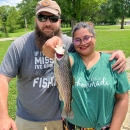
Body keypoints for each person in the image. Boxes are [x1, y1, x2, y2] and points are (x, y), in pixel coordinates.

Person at [0, 0, 126, 129]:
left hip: (60, 118)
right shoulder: (19, 45)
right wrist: (3, 115)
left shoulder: (69, 43)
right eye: (42, 17)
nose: (48, 23)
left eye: (53, 18)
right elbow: (2, 78)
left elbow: (88, 52)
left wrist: (116, 52)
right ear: (35, 20)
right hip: (28, 118)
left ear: (59, 21)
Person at [59, 22, 129, 130]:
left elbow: (123, 98)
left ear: (94, 38)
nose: (83, 43)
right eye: (77, 40)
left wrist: (115, 128)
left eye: (87, 38)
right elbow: (63, 60)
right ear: (73, 42)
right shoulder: (71, 60)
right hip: (73, 126)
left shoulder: (114, 62)